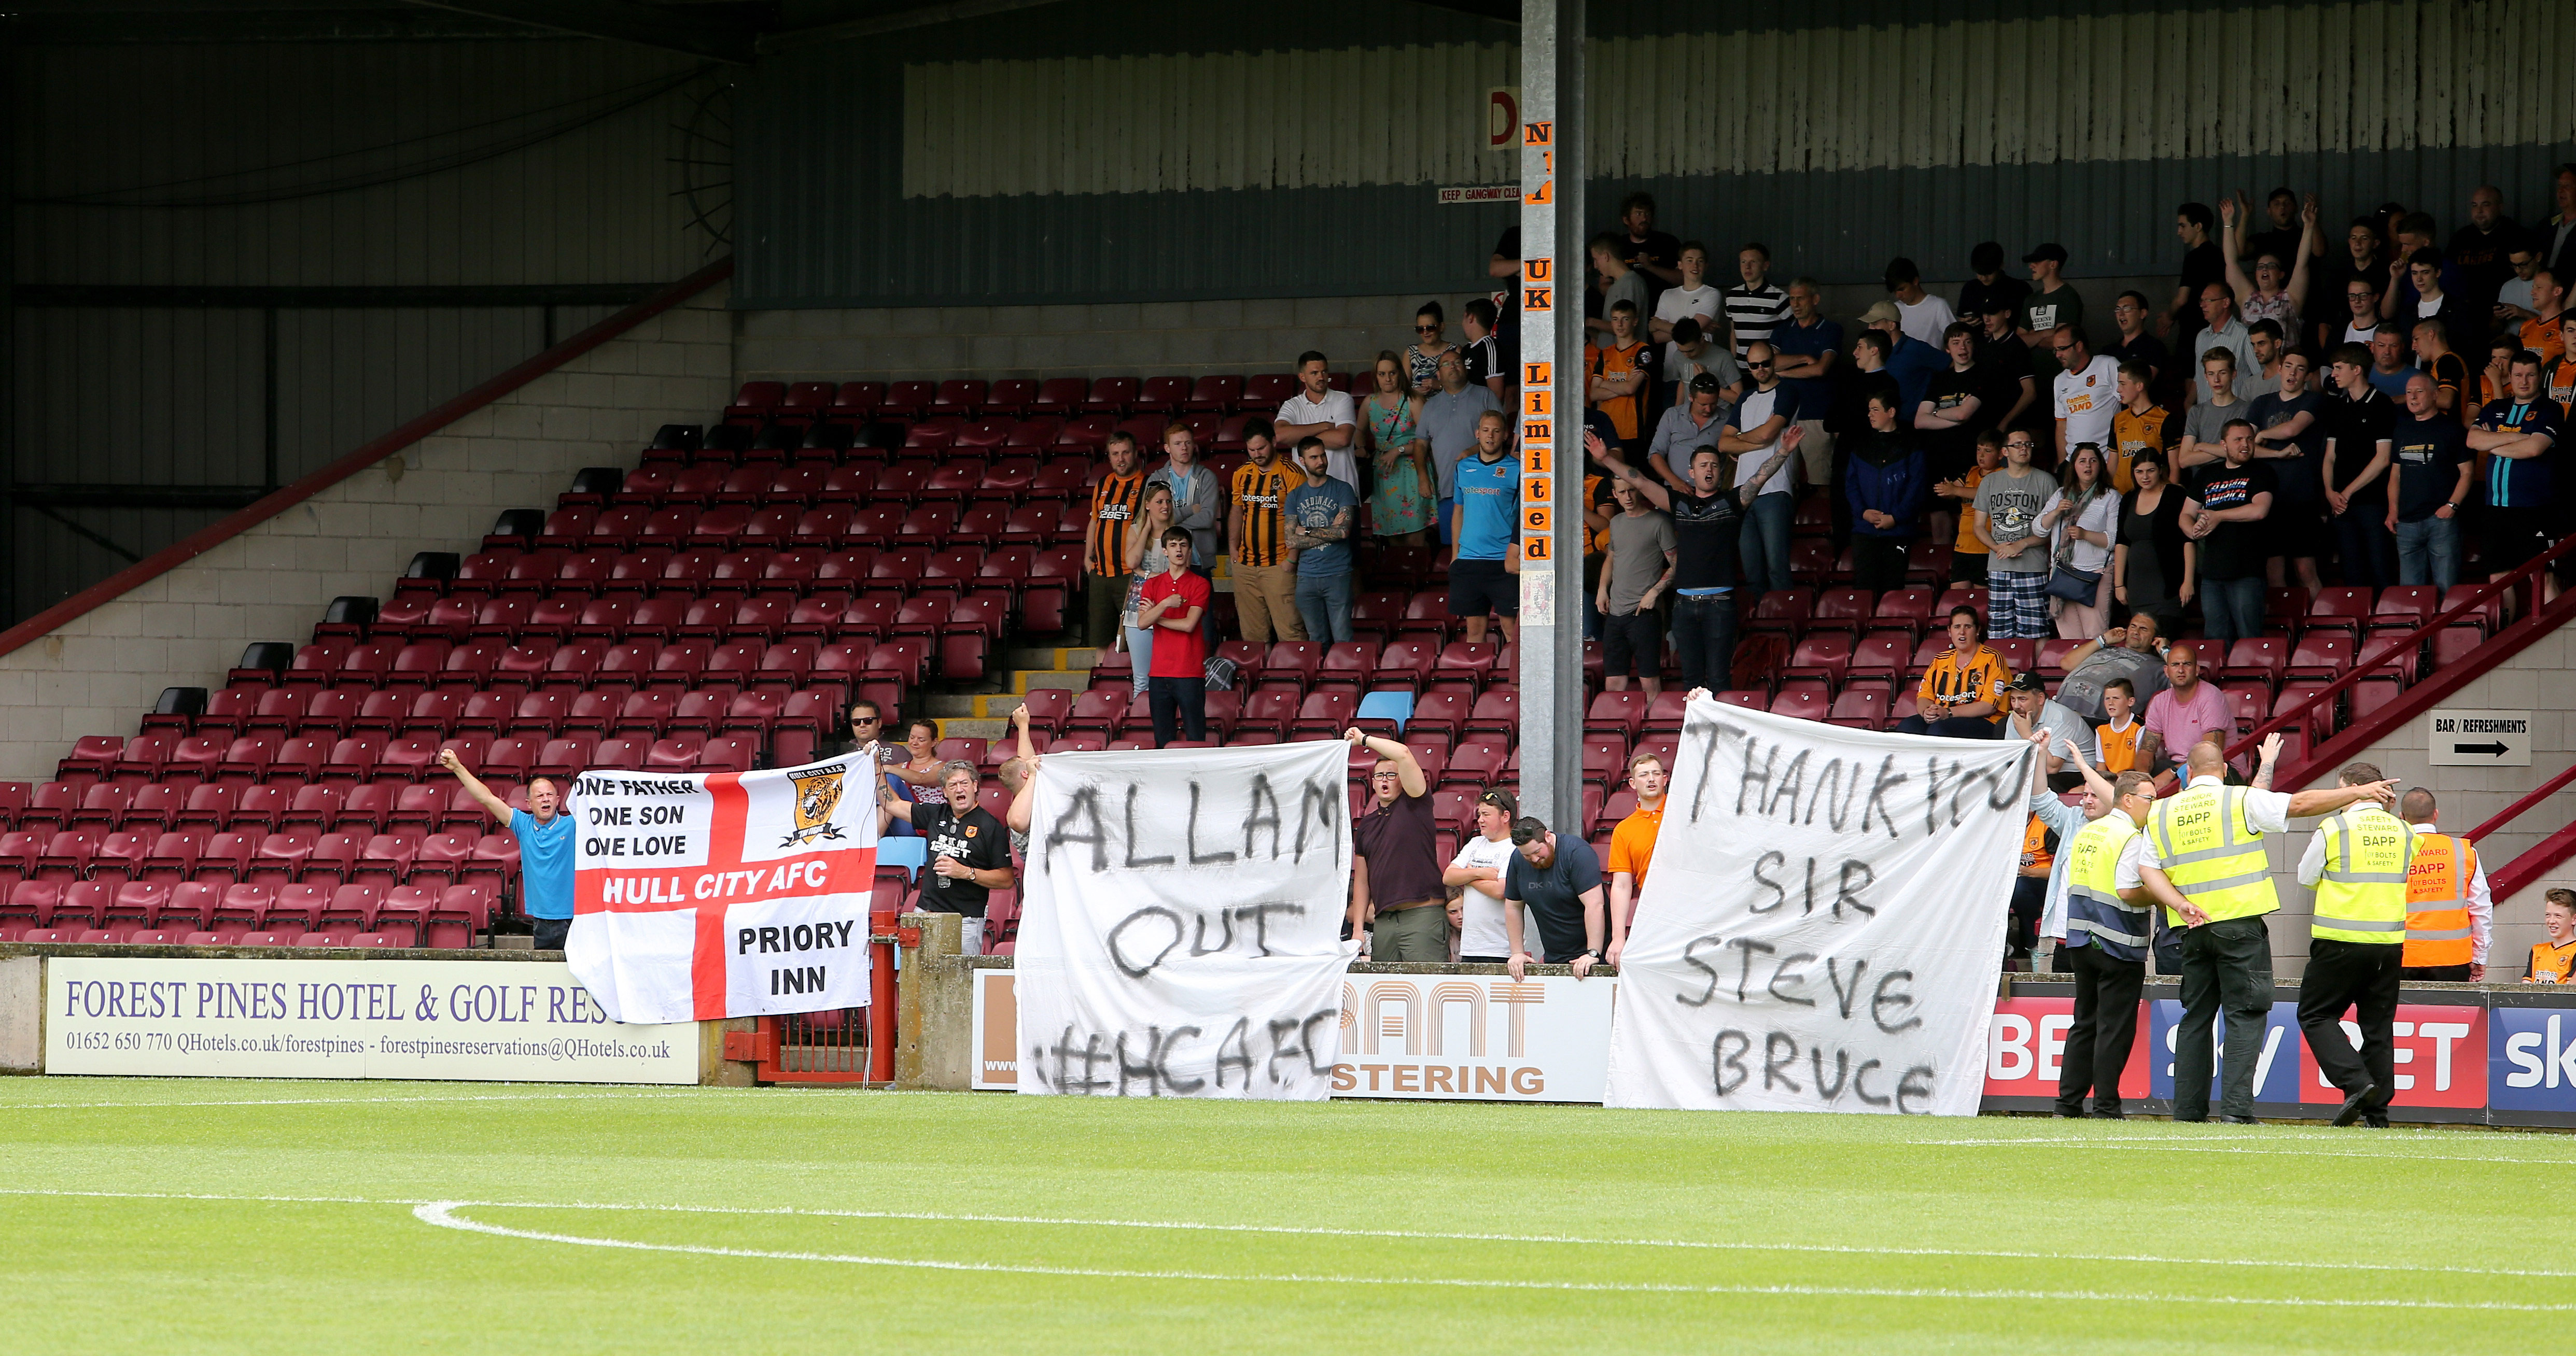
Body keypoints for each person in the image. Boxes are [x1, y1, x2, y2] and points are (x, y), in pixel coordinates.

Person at [2135, 736, 2397, 1124]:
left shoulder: (2161, 811)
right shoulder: (2238, 799)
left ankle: (2188, 1114)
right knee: (2245, 1015)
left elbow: (2147, 870)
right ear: (2224, 771)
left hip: (2190, 928)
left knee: (2196, 1018)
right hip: (2240, 926)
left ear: (2187, 773)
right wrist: (2358, 792)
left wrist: (2178, 903)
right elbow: (2301, 804)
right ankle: (2237, 1113)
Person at [2025, 728, 2159, 1117]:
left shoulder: (2087, 834)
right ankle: (2106, 1106)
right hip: (2118, 942)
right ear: (2129, 800)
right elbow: (2129, 890)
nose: (2154, 805)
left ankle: (2067, 1104)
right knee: (2113, 1027)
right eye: (2150, 798)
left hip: (2081, 940)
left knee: (2084, 1023)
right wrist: (2169, 899)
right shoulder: (2129, 837)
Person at [2291, 760, 2417, 1127]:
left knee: (2315, 1015)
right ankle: (2377, 1115)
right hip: (2389, 942)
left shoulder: (2336, 826)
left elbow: (2306, 876)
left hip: (2340, 939)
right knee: (2378, 1027)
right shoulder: (2405, 831)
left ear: (2349, 787)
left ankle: (2356, 1082)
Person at [1592, 432, 1749, 696]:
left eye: (1714, 465)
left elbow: (1759, 481)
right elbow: (1639, 481)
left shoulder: (1729, 502)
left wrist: (1782, 453)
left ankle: (1722, 736)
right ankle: (1693, 736)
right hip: (1682, 604)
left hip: (1718, 602)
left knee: (1720, 677)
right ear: (1691, 472)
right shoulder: (1679, 504)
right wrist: (1606, 458)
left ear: (1721, 471)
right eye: (1703, 465)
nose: (1709, 469)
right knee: (1691, 682)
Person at [436, 749, 571, 949]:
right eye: (540, 796)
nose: (546, 799)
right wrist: (458, 768)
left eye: (550, 795)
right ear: (529, 803)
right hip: (540, 921)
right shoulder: (523, 825)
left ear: (558, 800)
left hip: (573, 919)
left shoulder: (573, 825)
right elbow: (487, 798)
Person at [876, 759, 1013, 954]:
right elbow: (892, 804)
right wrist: (877, 771)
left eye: (964, 783)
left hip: (965, 920)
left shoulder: (990, 826)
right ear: (945, 792)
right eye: (953, 785)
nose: (959, 789)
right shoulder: (936, 814)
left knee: (960, 982)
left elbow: (1007, 879)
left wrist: (965, 872)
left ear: (975, 786)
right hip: (926, 913)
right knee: (916, 980)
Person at [2466, 350, 2564, 612]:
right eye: (2518, 375)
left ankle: (2556, 641)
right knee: (2498, 579)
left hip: (2535, 510)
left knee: (2543, 576)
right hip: (2495, 510)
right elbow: (2473, 440)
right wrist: (2520, 437)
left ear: (2539, 377)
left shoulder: (2550, 409)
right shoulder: (2496, 408)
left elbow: (2534, 450)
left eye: (2530, 375)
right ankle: (2503, 637)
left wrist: (2493, 443)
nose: (2524, 381)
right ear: (2509, 377)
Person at [1344, 729, 1445, 963]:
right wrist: (1358, 929)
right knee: (1387, 993)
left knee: (1425, 990)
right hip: (1384, 920)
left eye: (1391, 775)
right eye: (1379, 776)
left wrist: (1364, 740)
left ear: (1403, 778)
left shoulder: (1416, 803)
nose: (1385, 781)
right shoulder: (1367, 825)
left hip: (1421, 915)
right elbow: (1362, 880)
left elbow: (1404, 754)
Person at [2179, 420, 2274, 652]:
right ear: (2224, 445)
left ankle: (2252, 687)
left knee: (2249, 639)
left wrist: (2218, 516)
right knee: (2215, 640)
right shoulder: (2207, 474)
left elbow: (2260, 510)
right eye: (2238, 440)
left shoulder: (2262, 471)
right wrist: (2192, 530)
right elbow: (2185, 515)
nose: (2245, 445)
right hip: (2211, 573)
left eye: (2250, 439)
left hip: (2247, 571)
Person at [2244, 348, 2327, 592]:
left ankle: (2318, 625)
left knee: (2305, 570)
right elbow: (2246, 449)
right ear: (2280, 369)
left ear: (2308, 376)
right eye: (2289, 366)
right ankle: (2284, 628)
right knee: (2274, 573)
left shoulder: (2313, 400)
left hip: (2301, 497)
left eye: (2300, 368)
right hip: (2268, 499)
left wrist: (2261, 435)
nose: (2293, 372)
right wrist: (2277, 453)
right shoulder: (2261, 403)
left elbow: (2292, 430)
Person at [2388, 786, 2490, 983]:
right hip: (2453, 959)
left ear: (2402, 817)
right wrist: (2479, 957)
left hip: (2403, 957)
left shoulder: (2393, 852)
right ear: (2436, 814)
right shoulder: (2463, 851)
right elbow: (2481, 909)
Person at [2386, 372, 2472, 589]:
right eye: (2408, 393)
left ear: (2435, 395)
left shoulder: (2451, 429)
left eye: (2419, 392)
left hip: (2440, 520)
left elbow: (2468, 473)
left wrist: (2452, 506)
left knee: (2447, 587)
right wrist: (2393, 511)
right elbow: (2396, 474)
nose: (2413, 397)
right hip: (2406, 522)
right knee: (2410, 593)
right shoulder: (2401, 428)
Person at [1594, 473, 1674, 696]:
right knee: (1613, 683)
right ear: (1614, 495)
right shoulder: (1617, 523)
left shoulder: (1658, 522)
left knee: (1649, 681)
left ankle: (1652, 727)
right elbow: (1611, 557)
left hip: (1644, 613)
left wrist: (1654, 592)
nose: (1628, 497)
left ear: (1639, 489)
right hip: (1616, 613)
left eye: (1631, 490)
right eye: (1622, 492)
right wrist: (1602, 589)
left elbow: (1677, 564)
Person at [1502, 816, 1606, 983]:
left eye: (1537, 852)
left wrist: (1592, 953)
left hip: (1594, 958)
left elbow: (1595, 905)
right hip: (1555, 957)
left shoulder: (1577, 853)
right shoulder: (1518, 859)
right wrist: (1517, 953)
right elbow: (1513, 906)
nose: (1534, 860)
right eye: (1527, 856)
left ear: (1548, 837)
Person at [1973, 430, 2055, 640]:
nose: (2024, 448)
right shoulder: (1990, 482)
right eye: (2018, 445)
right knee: (1999, 632)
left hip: (2033, 566)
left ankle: (2034, 673)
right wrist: (1999, 548)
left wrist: (2022, 544)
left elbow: (2054, 531)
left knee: (2036, 630)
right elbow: (1979, 527)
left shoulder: (2046, 481)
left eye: (2028, 444)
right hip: (1998, 567)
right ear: (2004, 452)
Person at [1227, 424, 1305, 645]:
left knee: (1290, 630)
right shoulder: (1242, 474)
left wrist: (1292, 558)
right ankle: (1259, 678)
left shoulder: (1292, 474)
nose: (1257, 454)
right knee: (1252, 635)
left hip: (1280, 564)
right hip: (1246, 565)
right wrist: (1233, 548)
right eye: (1251, 450)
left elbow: (1302, 519)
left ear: (1273, 442)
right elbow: (1236, 509)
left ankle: (1296, 674)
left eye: (1261, 448)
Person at [1133, 526, 1210, 746]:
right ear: (1165, 550)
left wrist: (1156, 616)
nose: (1179, 550)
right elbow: (1141, 623)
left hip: (1189, 671)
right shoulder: (1153, 584)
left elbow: (1189, 624)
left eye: (1183, 545)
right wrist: (1166, 604)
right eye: (1174, 545)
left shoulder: (1199, 583)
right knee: (1162, 738)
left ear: (1189, 550)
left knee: (1195, 737)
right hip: (1159, 672)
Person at [1844, 390, 1928, 590]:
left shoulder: (1911, 445)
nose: (1870, 415)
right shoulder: (1861, 445)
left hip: (1898, 531)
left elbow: (1917, 487)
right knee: (1864, 587)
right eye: (1869, 410)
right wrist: (1863, 512)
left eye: (1875, 410)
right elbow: (1851, 484)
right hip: (1865, 530)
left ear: (1891, 412)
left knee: (1893, 587)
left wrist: (1896, 518)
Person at [1420, 349, 1503, 543]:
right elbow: (1420, 444)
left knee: (1486, 546)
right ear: (1438, 374)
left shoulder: (1485, 395)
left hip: (1486, 490)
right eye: (1446, 364)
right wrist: (1423, 476)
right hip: (1448, 490)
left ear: (1465, 368)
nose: (1453, 366)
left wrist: (1471, 452)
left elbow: (1501, 436)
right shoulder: (1430, 406)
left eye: (1457, 362)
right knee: (1454, 548)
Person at [1770, 277, 1843, 491]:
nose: (1795, 304)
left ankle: (1824, 525)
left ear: (1815, 299)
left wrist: (1785, 372)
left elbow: (1821, 369)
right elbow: (1770, 363)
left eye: (1800, 299)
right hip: (1784, 415)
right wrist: (1804, 358)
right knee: (1783, 482)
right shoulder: (1783, 329)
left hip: (1817, 414)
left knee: (1821, 483)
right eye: (1792, 299)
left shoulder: (1830, 329)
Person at [2038, 442, 2118, 639]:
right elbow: (2039, 528)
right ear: (2074, 466)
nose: (2088, 466)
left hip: (2094, 574)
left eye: (2093, 461)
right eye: (2082, 461)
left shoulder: (2111, 496)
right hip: (2063, 574)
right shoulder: (2061, 494)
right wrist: (2056, 512)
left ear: (2101, 465)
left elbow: (2114, 540)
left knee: (2095, 637)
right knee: (2069, 640)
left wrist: (2085, 535)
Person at [1285, 437, 1360, 644]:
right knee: (1316, 640)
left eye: (1323, 455)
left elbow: (1343, 533)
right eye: (1314, 457)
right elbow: (1291, 541)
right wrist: (1331, 531)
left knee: (1343, 637)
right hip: (1306, 577)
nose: (1321, 461)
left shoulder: (1343, 489)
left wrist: (1307, 531)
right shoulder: (1295, 496)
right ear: (1302, 461)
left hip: (1337, 574)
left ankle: (1343, 677)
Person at [1446, 789, 1530, 965]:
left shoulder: (1514, 848)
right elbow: (1448, 877)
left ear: (1505, 816)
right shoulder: (1475, 843)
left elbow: (1501, 890)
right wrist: (1480, 873)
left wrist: (1469, 877)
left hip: (1501, 948)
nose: (1480, 820)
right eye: (1479, 815)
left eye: (1486, 814)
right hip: (1470, 947)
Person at [1897, 606, 2008, 738]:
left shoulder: (1993, 658)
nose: (1962, 632)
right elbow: (1924, 696)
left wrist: (1948, 713)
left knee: (1939, 731)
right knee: (1907, 728)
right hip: (1944, 716)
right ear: (1949, 631)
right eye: (1957, 627)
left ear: (1977, 630)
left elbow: (1989, 706)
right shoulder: (1940, 660)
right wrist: (1928, 712)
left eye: (1968, 627)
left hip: (1984, 721)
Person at [2114, 455, 2193, 638]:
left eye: (2151, 471)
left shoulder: (2175, 494)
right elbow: (2122, 542)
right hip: (2137, 585)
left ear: (2161, 470)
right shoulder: (2129, 498)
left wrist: (2188, 581)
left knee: (2165, 637)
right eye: (2139, 472)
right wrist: (2119, 584)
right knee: (2142, 640)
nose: (2145, 477)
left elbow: (2187, 539)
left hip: (2168, 583)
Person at [2219, 192, 2319, 334]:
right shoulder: (2246, 298)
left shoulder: (2291, 298)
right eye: (2260, 267)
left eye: (2271, 266)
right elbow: (2231, 262)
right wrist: (2228, 222)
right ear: (2255, 274)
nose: (2265, 269)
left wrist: (2309, 226)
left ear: (2281, 274)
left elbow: (2301, 263)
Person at [1083, 431, 1147, 647]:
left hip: (1130, 575)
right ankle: (1101, 678)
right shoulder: (1102, 484)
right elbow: (1094, 522)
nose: (1121, 459)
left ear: (1135, 453)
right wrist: (1086, 560)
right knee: (1101, 641)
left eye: (1125, 453)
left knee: (1132, 639)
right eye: (1115, 454)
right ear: (1109, 457)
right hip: (1100, 574)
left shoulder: (1147, 484)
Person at [1604, 752, 1667, 968]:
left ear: (1665, 779)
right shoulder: (1624, 830)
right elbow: (1621, 886)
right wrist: (1618, 938)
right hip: (1652, 911)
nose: (1651, 779)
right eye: (1644, 775)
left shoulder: (1684, 812)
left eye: (1656, 773)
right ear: (1632, 783)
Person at [2136, 643, 2229, 792]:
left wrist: (2172, 772)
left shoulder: (2211, 697)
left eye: (2187, 664)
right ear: (2167, 671)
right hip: (2178, 765)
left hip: (2217, 769)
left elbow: (2210, 757)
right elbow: (2146, 751)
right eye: (2175, 665)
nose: (2181, 670)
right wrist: (2143, 779)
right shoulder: (2160, 701)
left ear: (2197, 670)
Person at [2055, 611, 2167, 724]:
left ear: (2156, 638)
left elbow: (2182, 676)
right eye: (2133, 627)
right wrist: (2103, 640)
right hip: (2061, 711)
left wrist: (2165, 651)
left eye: (2143, 629)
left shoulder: (2159, 667)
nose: (2136, 632)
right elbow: (2067, 664)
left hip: (2097, 722)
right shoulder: (2106, 648)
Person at [1119, 482, 1178, 693]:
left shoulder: (1177, 533)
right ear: (1147, 505)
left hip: (1170, 611)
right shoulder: (1135, 531)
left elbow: (1181, 571)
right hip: (1139, 610)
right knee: (1142, 681)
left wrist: (1149, 576)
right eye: (1160, 502)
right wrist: (1146, 528)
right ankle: (1140, 724)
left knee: (1169, 677)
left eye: (1169, 502)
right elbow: (1132, 562)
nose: (1166, 506)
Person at [1274, 350, 1361, 489]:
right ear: (1302, 377)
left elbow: (1343, 439)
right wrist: (1325, 426)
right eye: (1314, 373)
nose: (1321, 377)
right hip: (1306, 493)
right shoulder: (1292, 405)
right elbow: (1280, 435)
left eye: (1324, 372)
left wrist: (1298, 437)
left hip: (1343, 489)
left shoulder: (1343, 399)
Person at [1916, 321, 1989, 484]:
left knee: (1967, 508)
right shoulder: (1940, 378)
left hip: (1969, 457)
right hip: (1938, 457)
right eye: (1956, 343)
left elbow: (1964, 414)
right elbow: (1920, 421)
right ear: (1947, 349)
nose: (1962, 348)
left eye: (1967, 342)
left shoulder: (1983, 374)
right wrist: (1955, 420)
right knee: (1937, 508)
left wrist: (1936, 413)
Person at [1145, 421, 1222, 572]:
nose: (1184, 447)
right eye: (1178, 443)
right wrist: (1192, 510)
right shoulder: (1156, 479)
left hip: (1198, 560)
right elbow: (1153, 519)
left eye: (1188, 442)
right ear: (1167, 448)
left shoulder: (1206, 477)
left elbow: (1207, 518)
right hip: (1164, 560)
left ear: (1194, 445)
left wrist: (1169, 525)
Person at [1935, 429, 2004, 584]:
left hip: (1986, 547)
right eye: (1979, 450)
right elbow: (1953, 491)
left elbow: (1985, 493)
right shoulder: (1971, 472)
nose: (1981, 455)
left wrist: (1956, 490)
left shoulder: (2003, 475)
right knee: (1957, 596)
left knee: (1981, 597)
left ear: (2001, 454)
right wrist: (1946, 490)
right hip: (1963, 545)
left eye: (1987, 451)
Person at [1586, 299, 1652, 454]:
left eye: (1625, 319)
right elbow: (1594, 394)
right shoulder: (1605, 353)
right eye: (1615, 319)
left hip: (1632, 428)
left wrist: (1605, 383)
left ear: (1635, 322)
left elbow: (1631, 388)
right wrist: (1624, 386)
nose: (1620, 324)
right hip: (1607, 427)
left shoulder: (1643, 351)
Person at [2003, 671, 2090, 789]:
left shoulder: (2060, 717)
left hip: (2079, 773)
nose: (2017, 706)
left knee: (2041, 783)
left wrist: (2028, 735)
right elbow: (2010, 758)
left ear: (2040, 699)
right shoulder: (2017, 716)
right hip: (2036, 770)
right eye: (2013, 699)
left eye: (2022, 699)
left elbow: (2052, 768)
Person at [2051, 326, 2121, 469]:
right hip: (2074, 464)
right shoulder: (2059, 380)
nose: (2058, 355)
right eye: (2056, 350)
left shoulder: (2107, 365)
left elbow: (2132, 402)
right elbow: (2061, 425)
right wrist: (2063, 464)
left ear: (2079, 346)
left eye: (2062, 348)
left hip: (2107, 462)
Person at [1647, 372, 1730, 493]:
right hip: (1675, 489)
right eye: (1703, 404)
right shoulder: (1672, 415)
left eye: (1714, 404)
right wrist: (1675, 482)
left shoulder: (1727, 419)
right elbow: (1655, 454)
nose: (1709, 409)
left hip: (1712, 491)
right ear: (1691, 397)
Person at [2108, 361, 2177, 495]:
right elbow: (2112, 465)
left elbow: (2174, 468)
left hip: (2152, 497)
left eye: (2123, 384)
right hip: (2120, 497)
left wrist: (2170, 498)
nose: (2118, 390)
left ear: (2139, 386)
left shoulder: (2164, 419)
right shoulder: (2118, 419)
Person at [2185, 285, 2258, 408]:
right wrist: (2188, 402)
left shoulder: (2244, 335)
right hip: (2205, 414)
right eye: (2202, 301)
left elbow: (2259, 377)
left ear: (2226, 302)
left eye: (2209, 300)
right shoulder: (2202, 336)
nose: (2203, 305)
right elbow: (2199, 374)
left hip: (2234, 415)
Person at [2175, 348, 2249, 468]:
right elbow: (2184, 461)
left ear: (2234, 374)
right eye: (2211, 374)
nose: (2216, 379)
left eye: (2223, 373)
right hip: (2203, 482)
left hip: (2234, 480)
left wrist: (2203, 446)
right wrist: (2228, 451)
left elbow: (2246, 452)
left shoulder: (2247, 409)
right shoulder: (2197, 412)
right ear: (2206, 377)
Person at [2018, 243, 2085, 373]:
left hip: (2059, 373)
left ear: (2053, 264)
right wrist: (2045, 333)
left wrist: (2032, 336)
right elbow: (2019, 342)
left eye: (2037, 261)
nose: (2031, 265)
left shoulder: (2068, 296)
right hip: (2032, 374)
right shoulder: (2031, 299)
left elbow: (2061, 343)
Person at [1720, 242, 1789, 359]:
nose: (1747, 267)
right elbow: (1734, 331)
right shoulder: (1732, 296)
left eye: (1753, 262)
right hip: (1741, 367)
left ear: (1765, 266)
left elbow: (1792, 332)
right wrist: (1733, 359)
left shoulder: (1779, 298)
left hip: (1767, 368)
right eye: (1743, 262)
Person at [2167, 201, 2225, 341]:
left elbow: (2182, 300)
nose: (2179, 232)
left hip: (2193, 328)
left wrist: (2168, 317)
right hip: (2217, 325)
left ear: (2198, 226)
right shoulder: (2220, 254)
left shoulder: (2193, 258)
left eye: (2183, 226)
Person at [1649, 239, 1720, 345]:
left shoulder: (1712, 294)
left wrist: (1658, 325)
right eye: (1690, 260)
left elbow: (1691, 331)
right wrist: (1697, 330)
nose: (1695, 266)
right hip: (1672, 361)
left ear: (1706, 266)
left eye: (1700, 261)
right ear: (1680, 265)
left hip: (1700, 361)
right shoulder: (1667, 295)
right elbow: (1658, 337)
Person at [1613, 192, 1682, 290]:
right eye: (1639, 214)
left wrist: (1651, 267)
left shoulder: (1668, 242)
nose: (1644, 218)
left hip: (1663, 304)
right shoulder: (1617, 245)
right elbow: (1604, 284)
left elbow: (1683, 278)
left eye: (1648, 214)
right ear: (1626, 220)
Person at [1884, 256, 1957, 348]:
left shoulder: (1938, 305)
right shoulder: (1894, 309)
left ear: (1915, 281)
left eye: (1902, 289)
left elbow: (1955, 338)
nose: (1898, 296)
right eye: (1895, 292)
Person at [1588, 233, 1649, 341]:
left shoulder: (1632, 282)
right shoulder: (1614, 287)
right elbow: (1608, 337)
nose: (1595, 266)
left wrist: (1591, 322)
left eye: (1596, 260)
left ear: (1606, 256)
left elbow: (1625, 326)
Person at [1959, 240, 2032, 324]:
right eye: (1979, 273)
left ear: (2001, 266)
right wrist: (1966, 323)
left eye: (1989, 273)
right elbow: (1962, 317)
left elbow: (2025, 323)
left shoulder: (2019, 288)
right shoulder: (1970, 288)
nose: (1983, 278)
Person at [1402, 301, 1456, 397]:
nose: (1425, 332)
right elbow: (1402, 389)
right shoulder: (1411, 353)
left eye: (1430, 328)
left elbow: (1464, 386)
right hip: (1418, 409)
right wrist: (1414, 392)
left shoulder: (1455, 351)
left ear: (1442, 327)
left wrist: (1440, 385)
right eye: (1420, 329)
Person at [2093, 677, 2144, 773]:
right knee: (2077, 789)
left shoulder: (2140, 728)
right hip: (2110, 779)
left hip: (2132, 779)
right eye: (2107, 699)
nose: (2111, 703)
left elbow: (2142, 768)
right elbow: (2101, 767)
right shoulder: (2101, 729)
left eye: (2116, 698)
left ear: (2131, 702)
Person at [1460, 298, 1506, 401]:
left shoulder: (1490, 348)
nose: (1462, 324)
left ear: (1470, 318)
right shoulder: (1466, 349)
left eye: (1464, 317)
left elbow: (1496, 394)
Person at [2528, 889, 2576, 983]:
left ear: (2574, 919)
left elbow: (2570, 992)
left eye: (2558, 916)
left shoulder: (2574, 951)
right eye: (2548, 915)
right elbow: (2526, 988)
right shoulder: (2537, 950)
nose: (2551, 921)